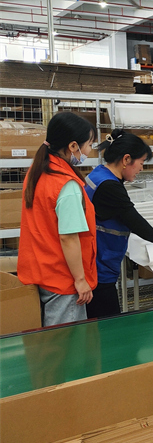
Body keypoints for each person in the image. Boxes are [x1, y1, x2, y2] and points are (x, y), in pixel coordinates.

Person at [18, 112, 97, 327]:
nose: (89, 151)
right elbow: (68, 237)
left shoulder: (38, 171)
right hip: (64, 278)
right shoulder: (66, 184)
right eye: (89, 145)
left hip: (42, 269)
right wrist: (80, 280)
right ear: (73, 146)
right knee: (67, 342)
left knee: (52, 341)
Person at [84, 130, 153, 319]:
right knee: (110, 325)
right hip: (100, 269)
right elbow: (131, 218)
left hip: (94, 263)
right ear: (126, 159)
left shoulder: (99, 173)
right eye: (141, 162)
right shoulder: (110, 186)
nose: (141, 169)